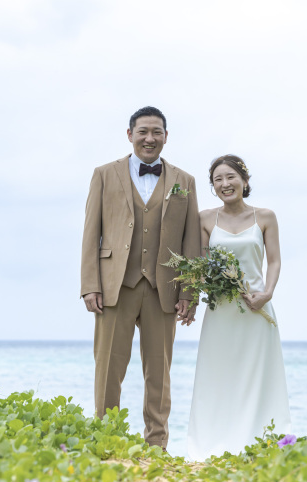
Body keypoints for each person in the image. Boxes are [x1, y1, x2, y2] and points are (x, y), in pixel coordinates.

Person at [80, 106, 201, 451]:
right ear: (130, 134)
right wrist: (90, 285)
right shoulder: (104, 175)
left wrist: (189, 293)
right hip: (115, 285)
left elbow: (191, 240)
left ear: (166, 137)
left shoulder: (185, 181)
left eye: (157, 132)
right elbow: (91, 233)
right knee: (108, 369)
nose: (150, 138)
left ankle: (157, 445)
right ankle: (107, 441)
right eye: (143, 131)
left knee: (159, 374)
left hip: (164, 288)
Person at [186, 154, 292, 460]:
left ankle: (261, 441)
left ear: (244, 181)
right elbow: (200, 264)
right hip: (221, 311)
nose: (225, 184)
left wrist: (267, 293)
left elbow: (274, 260)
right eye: (217, 179)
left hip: (256, 310)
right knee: (218, 376)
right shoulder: (205, 219)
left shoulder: (266, 217)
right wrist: (203, 288)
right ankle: (213, 443)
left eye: (230, 177)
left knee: (258, 378)